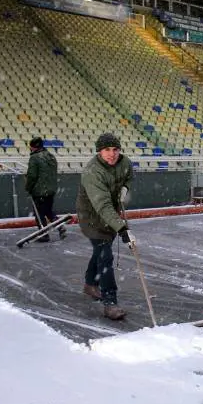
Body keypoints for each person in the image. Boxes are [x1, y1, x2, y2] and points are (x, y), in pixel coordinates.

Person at [76, 133, 134, 320]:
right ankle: (110, 302)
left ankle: (89, 284)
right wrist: (122, 228)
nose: (112, 154)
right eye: (107, 150)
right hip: (92, 217)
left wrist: (125, 188)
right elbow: (102, 205)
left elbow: (129, 177)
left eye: (115, 149)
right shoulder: (92, 172)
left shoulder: (124, 163)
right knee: (105, 256)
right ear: (99, 151)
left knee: (101, 251)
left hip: (111, 216)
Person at [25, 137, 65, 242]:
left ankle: (44, 234)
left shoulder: (34, 158)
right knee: (48, 211)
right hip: (51, 190)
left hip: (39, 191)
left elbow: (32, 176)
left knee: (39, 214)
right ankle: (60, 226)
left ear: (33, 147)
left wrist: (28, 188)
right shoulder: (51, 156)